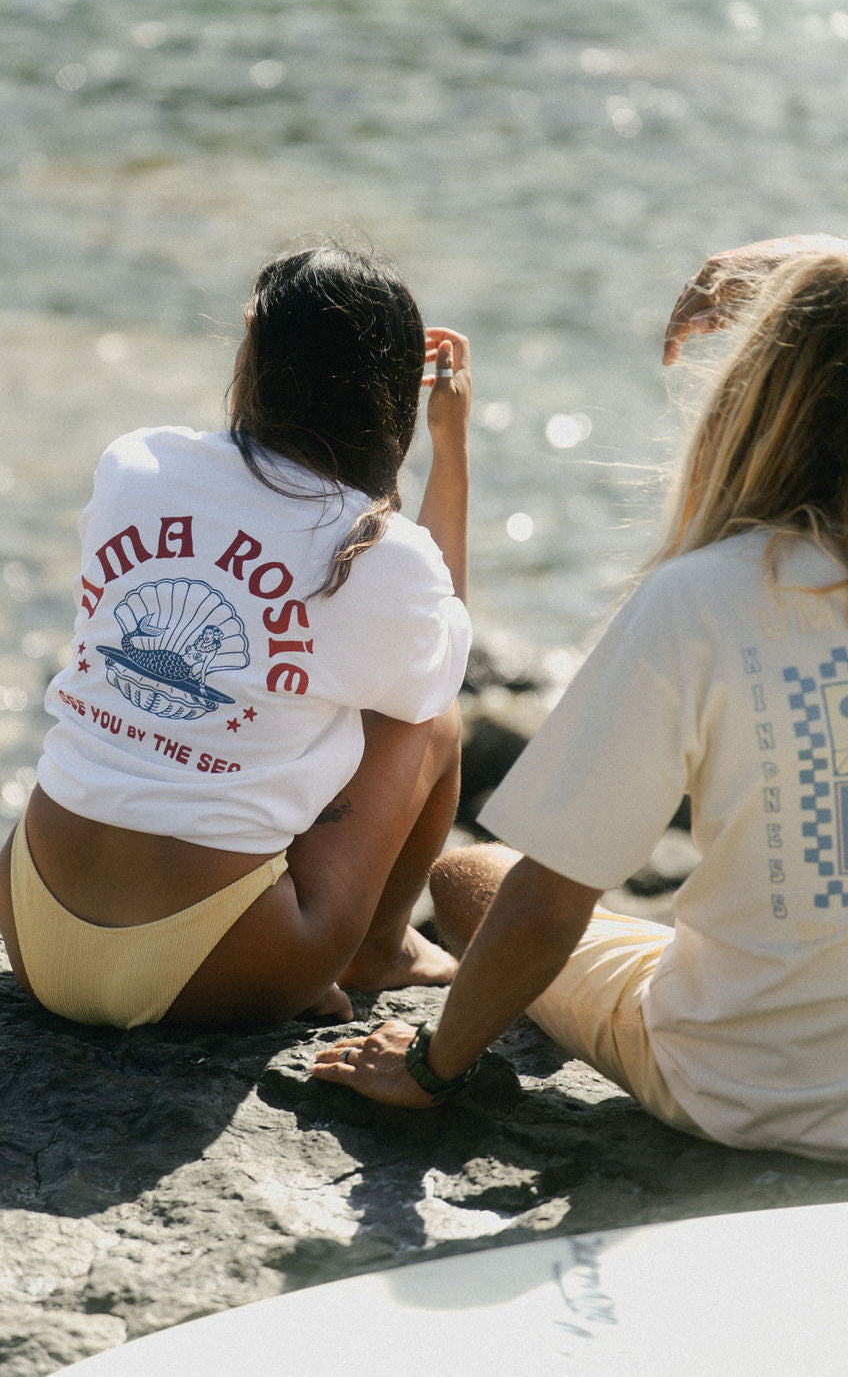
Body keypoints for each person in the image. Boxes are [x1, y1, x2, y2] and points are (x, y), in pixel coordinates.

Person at [314, 233, 848, 1163]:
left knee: (472, 877)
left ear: (758, 401)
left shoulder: (707, 599)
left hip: (754, 1088)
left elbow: (546, 906)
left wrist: (432, 1068)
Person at [0, 241, 472, 1029]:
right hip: (215, 965)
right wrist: (450, 446)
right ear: (388, 399)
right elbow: (437, 656)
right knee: (427, 714)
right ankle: (380, 949)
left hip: (32, 921)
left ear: (254, 357)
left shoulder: (135, 463)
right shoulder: (376, 554)